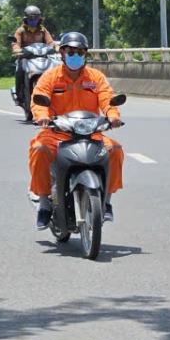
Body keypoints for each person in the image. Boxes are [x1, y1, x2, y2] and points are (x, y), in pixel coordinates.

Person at [29, 32, 123, 229]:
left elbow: (107, 98)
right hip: (57, 133)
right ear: (62, 53)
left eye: (80, 52)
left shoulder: (96, 77)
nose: (75, 55)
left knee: (114, 150)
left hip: (90, 133)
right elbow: (39, 97)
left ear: (85, 54)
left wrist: (112, 115)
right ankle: (44, 204)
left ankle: (106, 202)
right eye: (71, 51)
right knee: (39, 149)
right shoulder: (50, 77)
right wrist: (42, 116)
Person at [11, 6, 56, 98]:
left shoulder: (43, 30)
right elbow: (16, 43)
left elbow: (50, 42)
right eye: (31, 18)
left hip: (41, 58)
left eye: (35, 18)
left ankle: (54, 92)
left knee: (54, 70)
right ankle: (19, 93)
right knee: (19, 70)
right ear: (26, 19)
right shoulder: (20, 31)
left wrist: (56, 48)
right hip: (25, 58)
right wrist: (17, 49)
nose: (33, 20)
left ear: (39, 19)